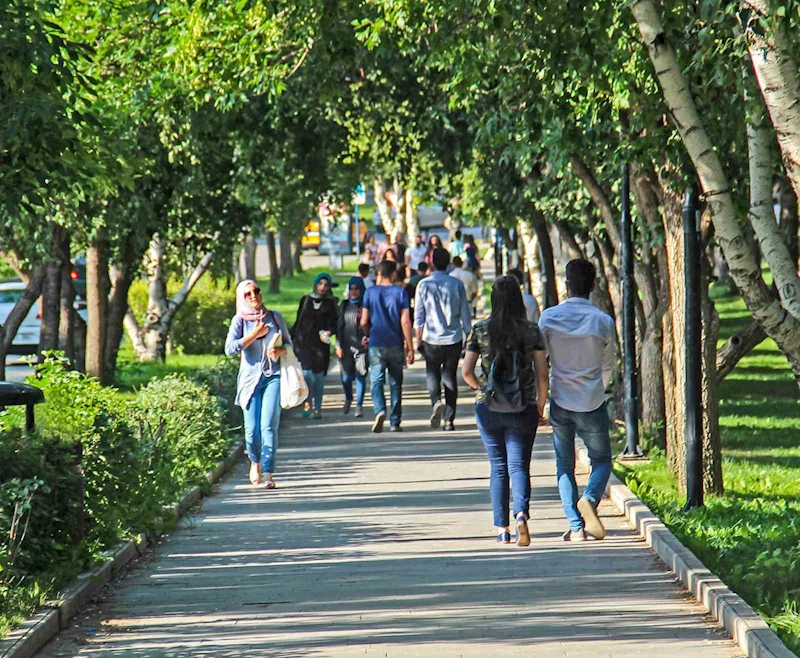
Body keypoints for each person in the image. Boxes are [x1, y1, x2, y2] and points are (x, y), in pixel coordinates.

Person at [462, 276, 549, 546]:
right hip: (523, 405)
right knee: (519, 465)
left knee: (498, 467)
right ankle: (521, 513)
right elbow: (542, 374)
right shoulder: (531, 330)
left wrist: (482, 389)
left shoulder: (480, 330)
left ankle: (502, 529)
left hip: (488, 407)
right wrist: (540, 406)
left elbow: (466, 371)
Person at [538, 259, 616, 542]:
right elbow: (608, 365)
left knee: (564, 465)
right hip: (592, 401)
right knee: (602, 461)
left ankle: (576, 527)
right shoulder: (603, 321)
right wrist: (598, 388)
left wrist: (540, 399)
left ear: (566, 285)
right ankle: (590, 499)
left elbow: (541, 362)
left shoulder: (548, 318)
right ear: (593, 285)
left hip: (561, 399)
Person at [225, 280, 292, 489]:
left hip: (273, 376)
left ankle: (269, 473)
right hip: (249, 381)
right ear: (242, 298)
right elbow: (229, 349)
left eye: (256, 291)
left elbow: (289, 344)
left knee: (268, 426)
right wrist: (254, 335)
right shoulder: (239, 320)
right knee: (252, 430)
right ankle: (255, 461)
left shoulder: (275, 317)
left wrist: (279, 351)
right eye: (248, 294)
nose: (253, 296)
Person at [414, 248, 472, 431]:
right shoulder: (457, 284)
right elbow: (465, 313)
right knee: (450, 376)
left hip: (431, 338)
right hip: (453, 338)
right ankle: (449, 420)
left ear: (432, 263)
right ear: (448, 263)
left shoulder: (423, 285)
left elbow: (419, 316)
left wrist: (418, 339)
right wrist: (468, 334)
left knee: (432, 373)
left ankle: (436, 401)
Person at [361, 260, 415, 433]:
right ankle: (394, 421)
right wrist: (410, 347)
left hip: (376, 343)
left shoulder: (369, 292)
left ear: (379, 273)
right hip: (395, 343)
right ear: (393, 274)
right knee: (395, 383)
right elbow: (405, 322)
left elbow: (363, 321)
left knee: (376, 380)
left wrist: (367, 334)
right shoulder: (401, 292)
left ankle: (380, 410)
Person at [292, 273, 338, 419]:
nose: (323, 287)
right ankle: (307, 403)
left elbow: (335, 324)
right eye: (320, 284)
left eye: (326, 285)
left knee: (318, 378)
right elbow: (298, 321)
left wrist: (328, 332)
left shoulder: (330, 304)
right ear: (315, 284)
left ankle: (318, 407)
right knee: (306, 375)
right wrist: (290, 339)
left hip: (320, 346)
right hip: (303, 344)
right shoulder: (305, 300)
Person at [336, 277, 368, 418]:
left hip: (361, 347)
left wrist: (368, 337)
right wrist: (338, 346)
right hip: (346, 345)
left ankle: (359, 405)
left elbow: (370, 324)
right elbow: (339, 327)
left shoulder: (366, 305)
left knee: (360, 375)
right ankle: (348, 397)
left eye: (356, 289)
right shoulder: (344, 305)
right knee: (346, 377)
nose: (354, 292)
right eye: (351, 289)